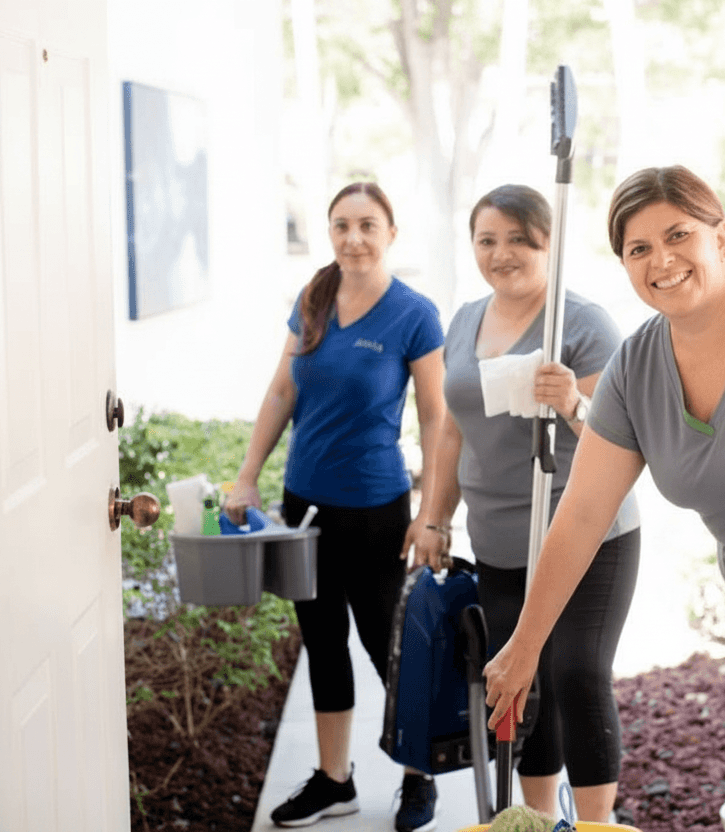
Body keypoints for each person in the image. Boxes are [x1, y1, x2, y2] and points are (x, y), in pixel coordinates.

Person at [480, 166, 725, 829]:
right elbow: (585, 511)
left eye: (678, 235)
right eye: (638, 249)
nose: (661, 260)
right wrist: (525, 646)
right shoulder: (635, 368)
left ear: (722, 238)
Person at [408, 184, 642, 822]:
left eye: (518, 239)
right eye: (487, 240)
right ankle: (537, 818)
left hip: (585, 533)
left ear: (549, 244)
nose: (501, 253)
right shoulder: (464, 320)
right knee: (519, 678)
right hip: (499, 539)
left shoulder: (582, 324)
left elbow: (621, 444)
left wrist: (569, 402)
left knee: (577, 672)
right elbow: (451, 430)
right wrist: (434, 517)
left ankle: (595, 822)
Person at [224, 182, 447, 832]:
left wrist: (431, 511)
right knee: (321, 642)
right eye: (342, 225)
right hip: (304, 505)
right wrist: (246, 477)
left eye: (368, 225)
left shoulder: (414, 313)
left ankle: (418, 774)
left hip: (376, 510)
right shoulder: (314, 297)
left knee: (388, 648)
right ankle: (333, 780)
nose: (354, 238)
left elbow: (436, 418)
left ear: (391, 234)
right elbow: (279, 393)